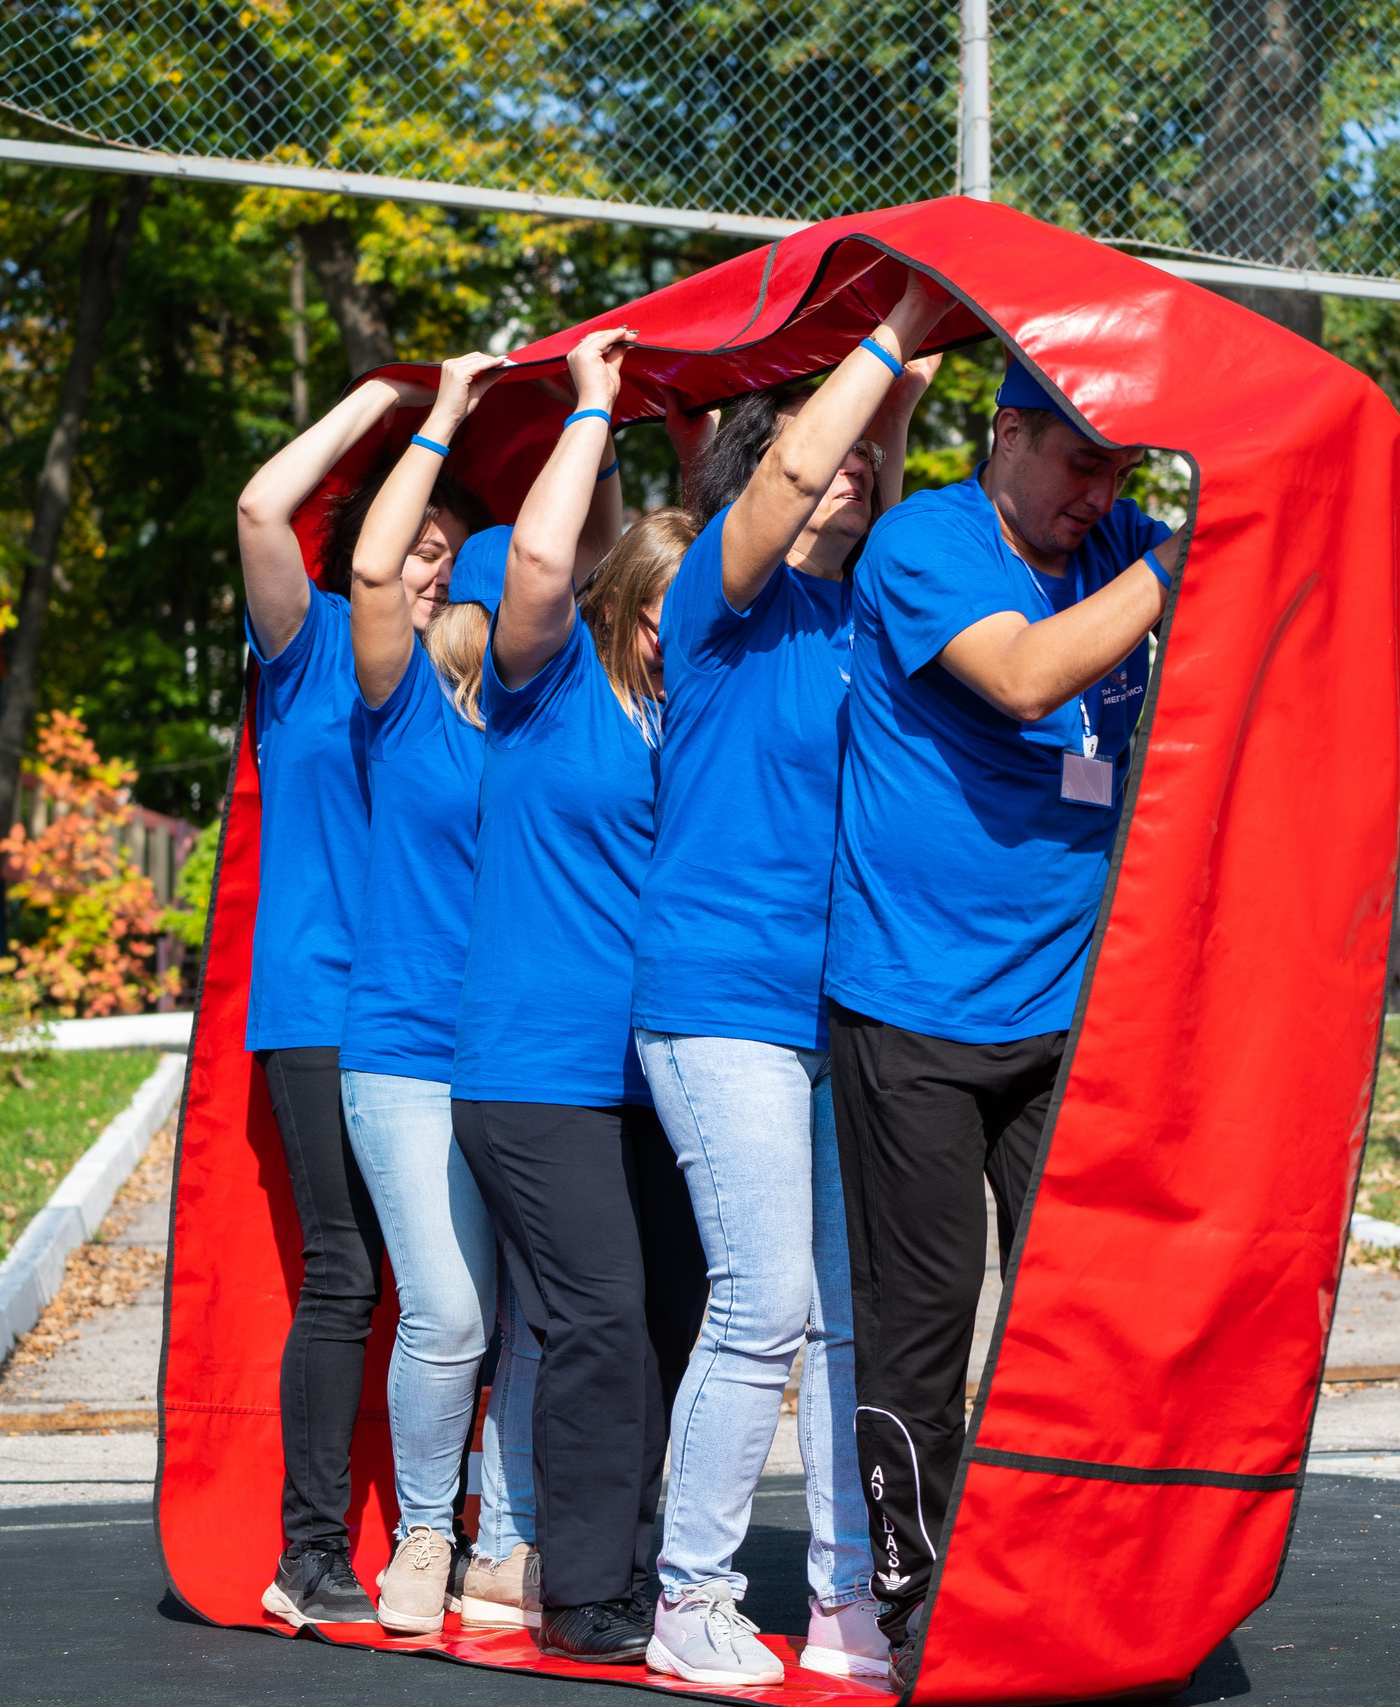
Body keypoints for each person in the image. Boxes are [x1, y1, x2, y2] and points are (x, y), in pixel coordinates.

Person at [826, 360, 1183, 1687]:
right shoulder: (925, 540)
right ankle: (917, 1609)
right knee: (923, 1323)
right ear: (1008, 431)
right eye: (1082, 462)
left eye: (1122, 471)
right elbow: (1028, 679)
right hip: (911, 1005)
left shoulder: (1119, 540)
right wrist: (1180, 561)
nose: (1102, 494)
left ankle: (1072, 1577)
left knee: (1081, 1307)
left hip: (1064, 1007)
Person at [627, 271, 947, 1686]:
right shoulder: (719, 594)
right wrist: (900, 323)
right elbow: (798, 470)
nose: (851, 474)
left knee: (847, 1318)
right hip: (717, 1001)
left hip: (838, 1008)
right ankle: (689, 1596)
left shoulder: (862, 614)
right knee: (759, 1301)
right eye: (832, 457)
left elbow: (866, 471)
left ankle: (844, 1599)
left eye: (871, 463)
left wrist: (906, 399)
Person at [336, 349, 608, 1634]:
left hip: (531, 1056)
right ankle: (426, 1534)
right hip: (407, 1049)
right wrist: (442, 414)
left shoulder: (572, 723)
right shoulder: (407, 712)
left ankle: (510, 1543)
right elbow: (371, 575)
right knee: (448, 1313)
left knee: (541, 1315)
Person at [448, 328, 708, 1666]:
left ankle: (631, 1554)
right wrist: (596, 406)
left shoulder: (693, 710)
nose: (677, 644)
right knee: (598, 1314)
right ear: (622, 612)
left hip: (656, 1073)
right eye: (661, 620)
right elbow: (547, 560)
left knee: (667, 1318)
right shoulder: (546, 686)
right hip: (537, 1073)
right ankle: (586, 1588)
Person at [235, 373, 496, 1627]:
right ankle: (309, 1556)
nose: (431, 569)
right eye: (415, 546)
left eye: (451, 552)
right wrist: (383, 403)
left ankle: (464, 1532)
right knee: (347, 1272)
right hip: (327, 1002)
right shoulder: (316, 645)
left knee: (467, 1288)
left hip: (454, 1014)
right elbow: (258, 510)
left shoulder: (486, 681)